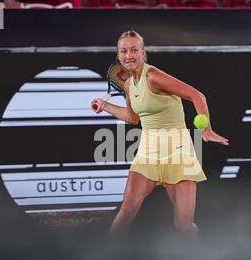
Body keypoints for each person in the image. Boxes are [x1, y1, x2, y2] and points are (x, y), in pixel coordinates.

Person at [92, 30, 229, 237]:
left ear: (143, 53)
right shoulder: (128, 84)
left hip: (178, 152)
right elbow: (133, 118)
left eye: (134, 50)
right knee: (126, 211)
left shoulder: (153, 76)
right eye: (124, 51)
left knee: (183, 225)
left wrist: (206, 129)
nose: (129, 55)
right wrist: (106, 106)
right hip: (148, 152)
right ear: (118, 56)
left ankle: (193, 254)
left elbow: (196, 95)